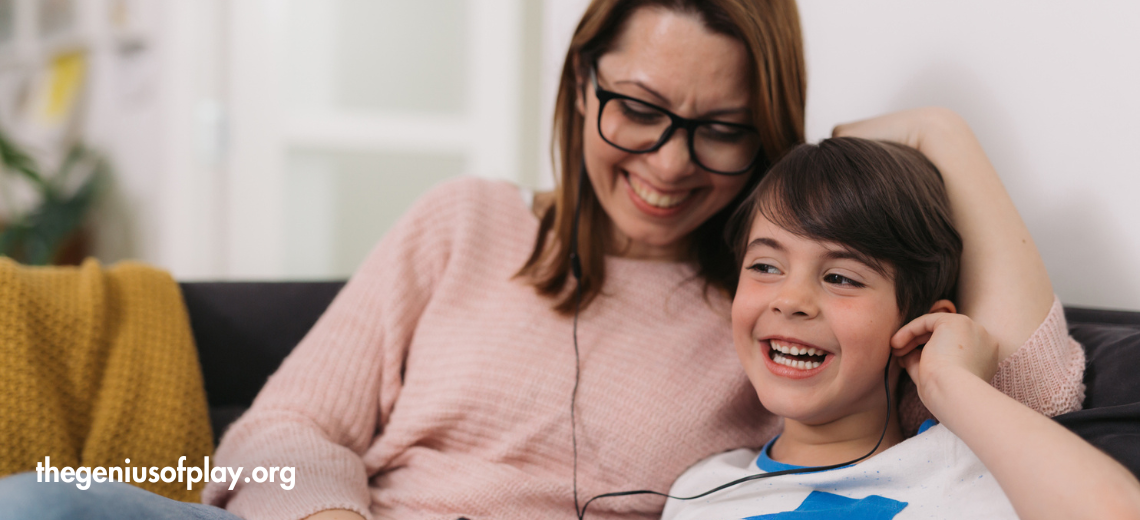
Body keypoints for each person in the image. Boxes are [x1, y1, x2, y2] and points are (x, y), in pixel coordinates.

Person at [0, 1, 1087, 519]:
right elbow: (278, 439)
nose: (668, 164)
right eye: (639, 110)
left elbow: (1036, 396)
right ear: (579, 89)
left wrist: (944, 135)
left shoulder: (769, 304)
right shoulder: (461, 222)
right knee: (38, 503)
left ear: (765, 133)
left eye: (719, 128)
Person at [660, 137, 1140, 520]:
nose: (790, 300)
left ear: (918, 324)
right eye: (765, 266)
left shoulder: (979, 461)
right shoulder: (700, 491)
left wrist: (948, 381)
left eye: (841, 277)